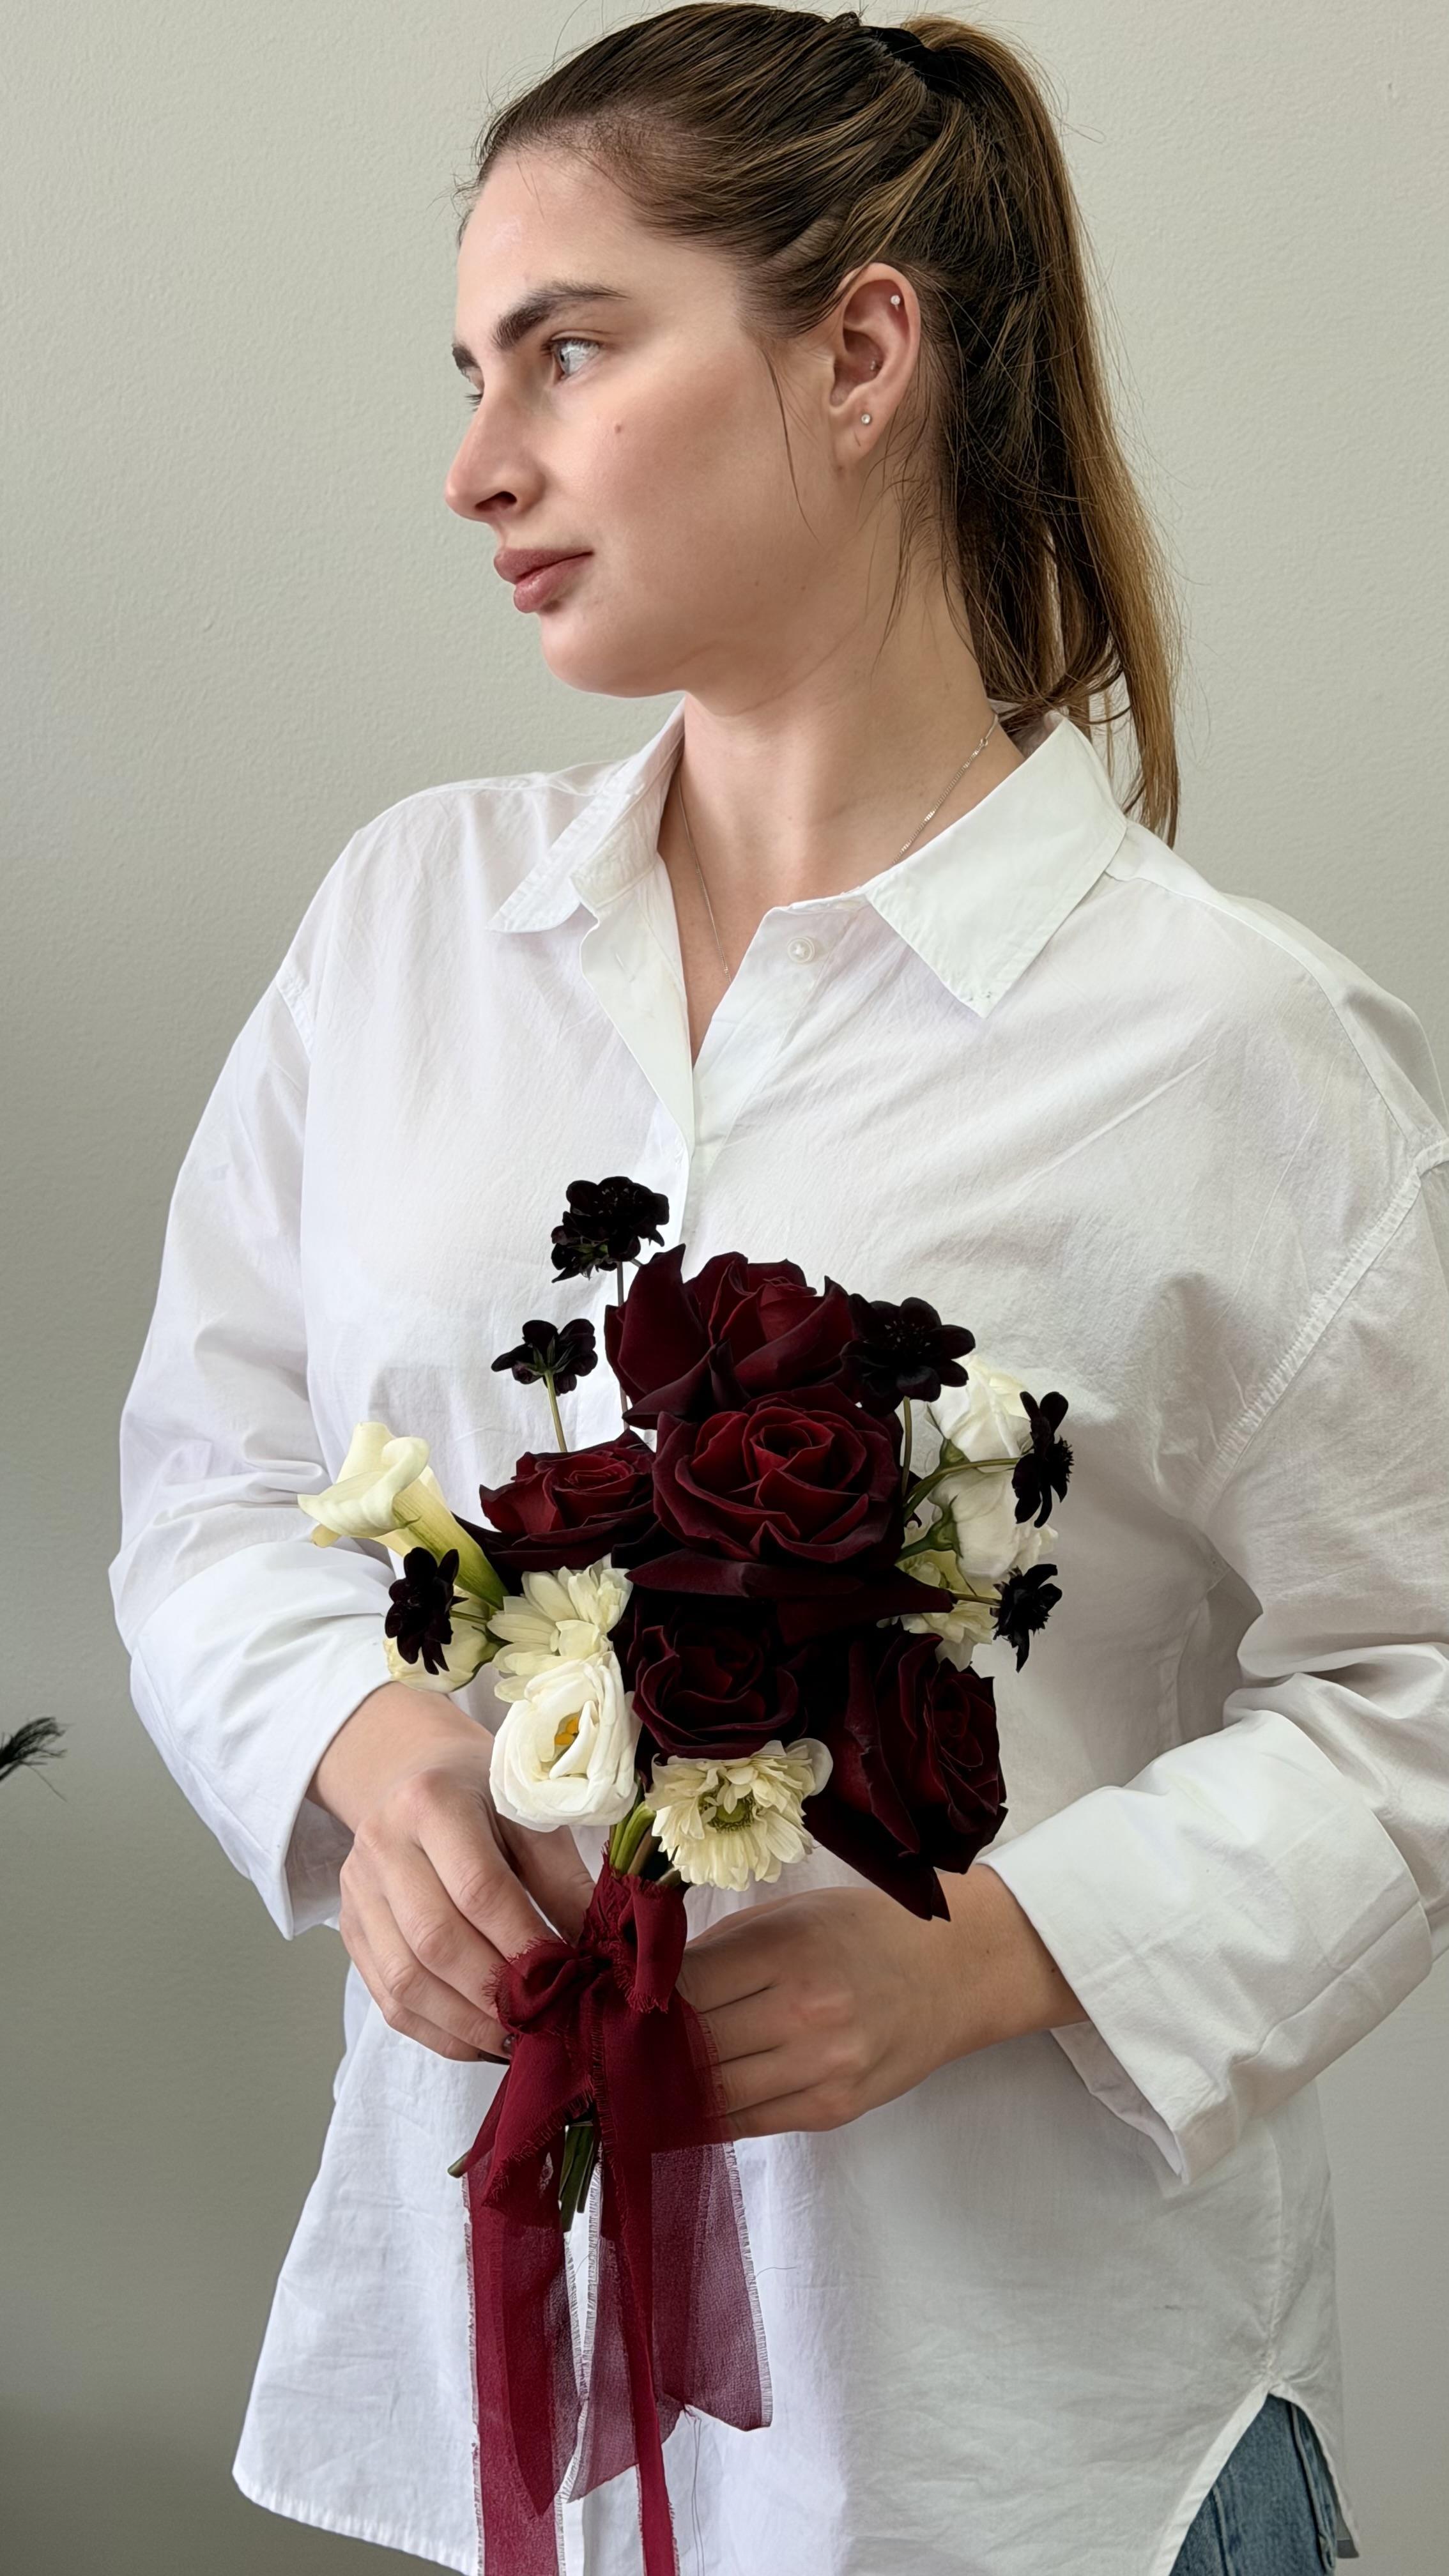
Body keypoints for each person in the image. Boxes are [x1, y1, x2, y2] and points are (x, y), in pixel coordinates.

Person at [105, 8, 1449, 2571]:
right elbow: (215, 1480)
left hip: (1033, 2455)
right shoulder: (407, 935)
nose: (478, 464)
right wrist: (363, 1761)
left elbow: (1419, 1678)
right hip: (509, 2416)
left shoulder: (1232, 1053)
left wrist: (1003, 1954)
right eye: (473, 372)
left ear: (857, 353)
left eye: (569, 350)